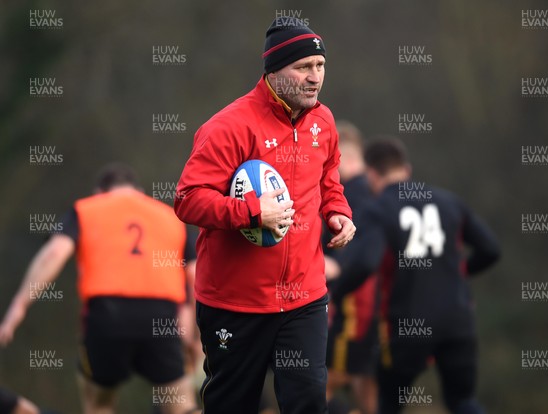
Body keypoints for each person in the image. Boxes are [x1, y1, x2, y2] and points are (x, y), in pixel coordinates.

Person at [174, 16, 355, 414]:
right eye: (303, 67)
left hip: (304, 297)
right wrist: (252, 212)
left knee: (307, 400)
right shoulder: (228, 127)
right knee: (232, 404)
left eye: (320, 66)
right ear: (274, 71)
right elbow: (188, 200)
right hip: (235, 302)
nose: (315, 78)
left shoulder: (323, 122)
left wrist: (337, 210)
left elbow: (328, 175)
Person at [0, 163, 199, 414]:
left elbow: (55, 253)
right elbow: (194, 274)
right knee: (182, 406)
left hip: (107, 315)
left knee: (100, 403)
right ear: (139, 191)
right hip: (162, 316)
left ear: (99, 192)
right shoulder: (171, 217)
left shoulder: (86, 209)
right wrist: (196, 337)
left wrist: (19, 305)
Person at [329, 138, 500, 414]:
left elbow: (365, 263)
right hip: (457, 320)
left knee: (389, 405)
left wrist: (335, 293)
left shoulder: (379, 209)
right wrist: (461, 272)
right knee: (463, 401)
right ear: (406, 170)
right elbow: (491, 249)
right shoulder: (449, 201)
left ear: (371, 174)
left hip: (406, 325)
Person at [323, 121, 378, 414]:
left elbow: (358, 257)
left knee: (319, 385)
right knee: (365, 384)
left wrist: (335, 271)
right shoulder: (378, 193)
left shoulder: (353, 194)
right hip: (382, 307)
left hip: (354, 306)